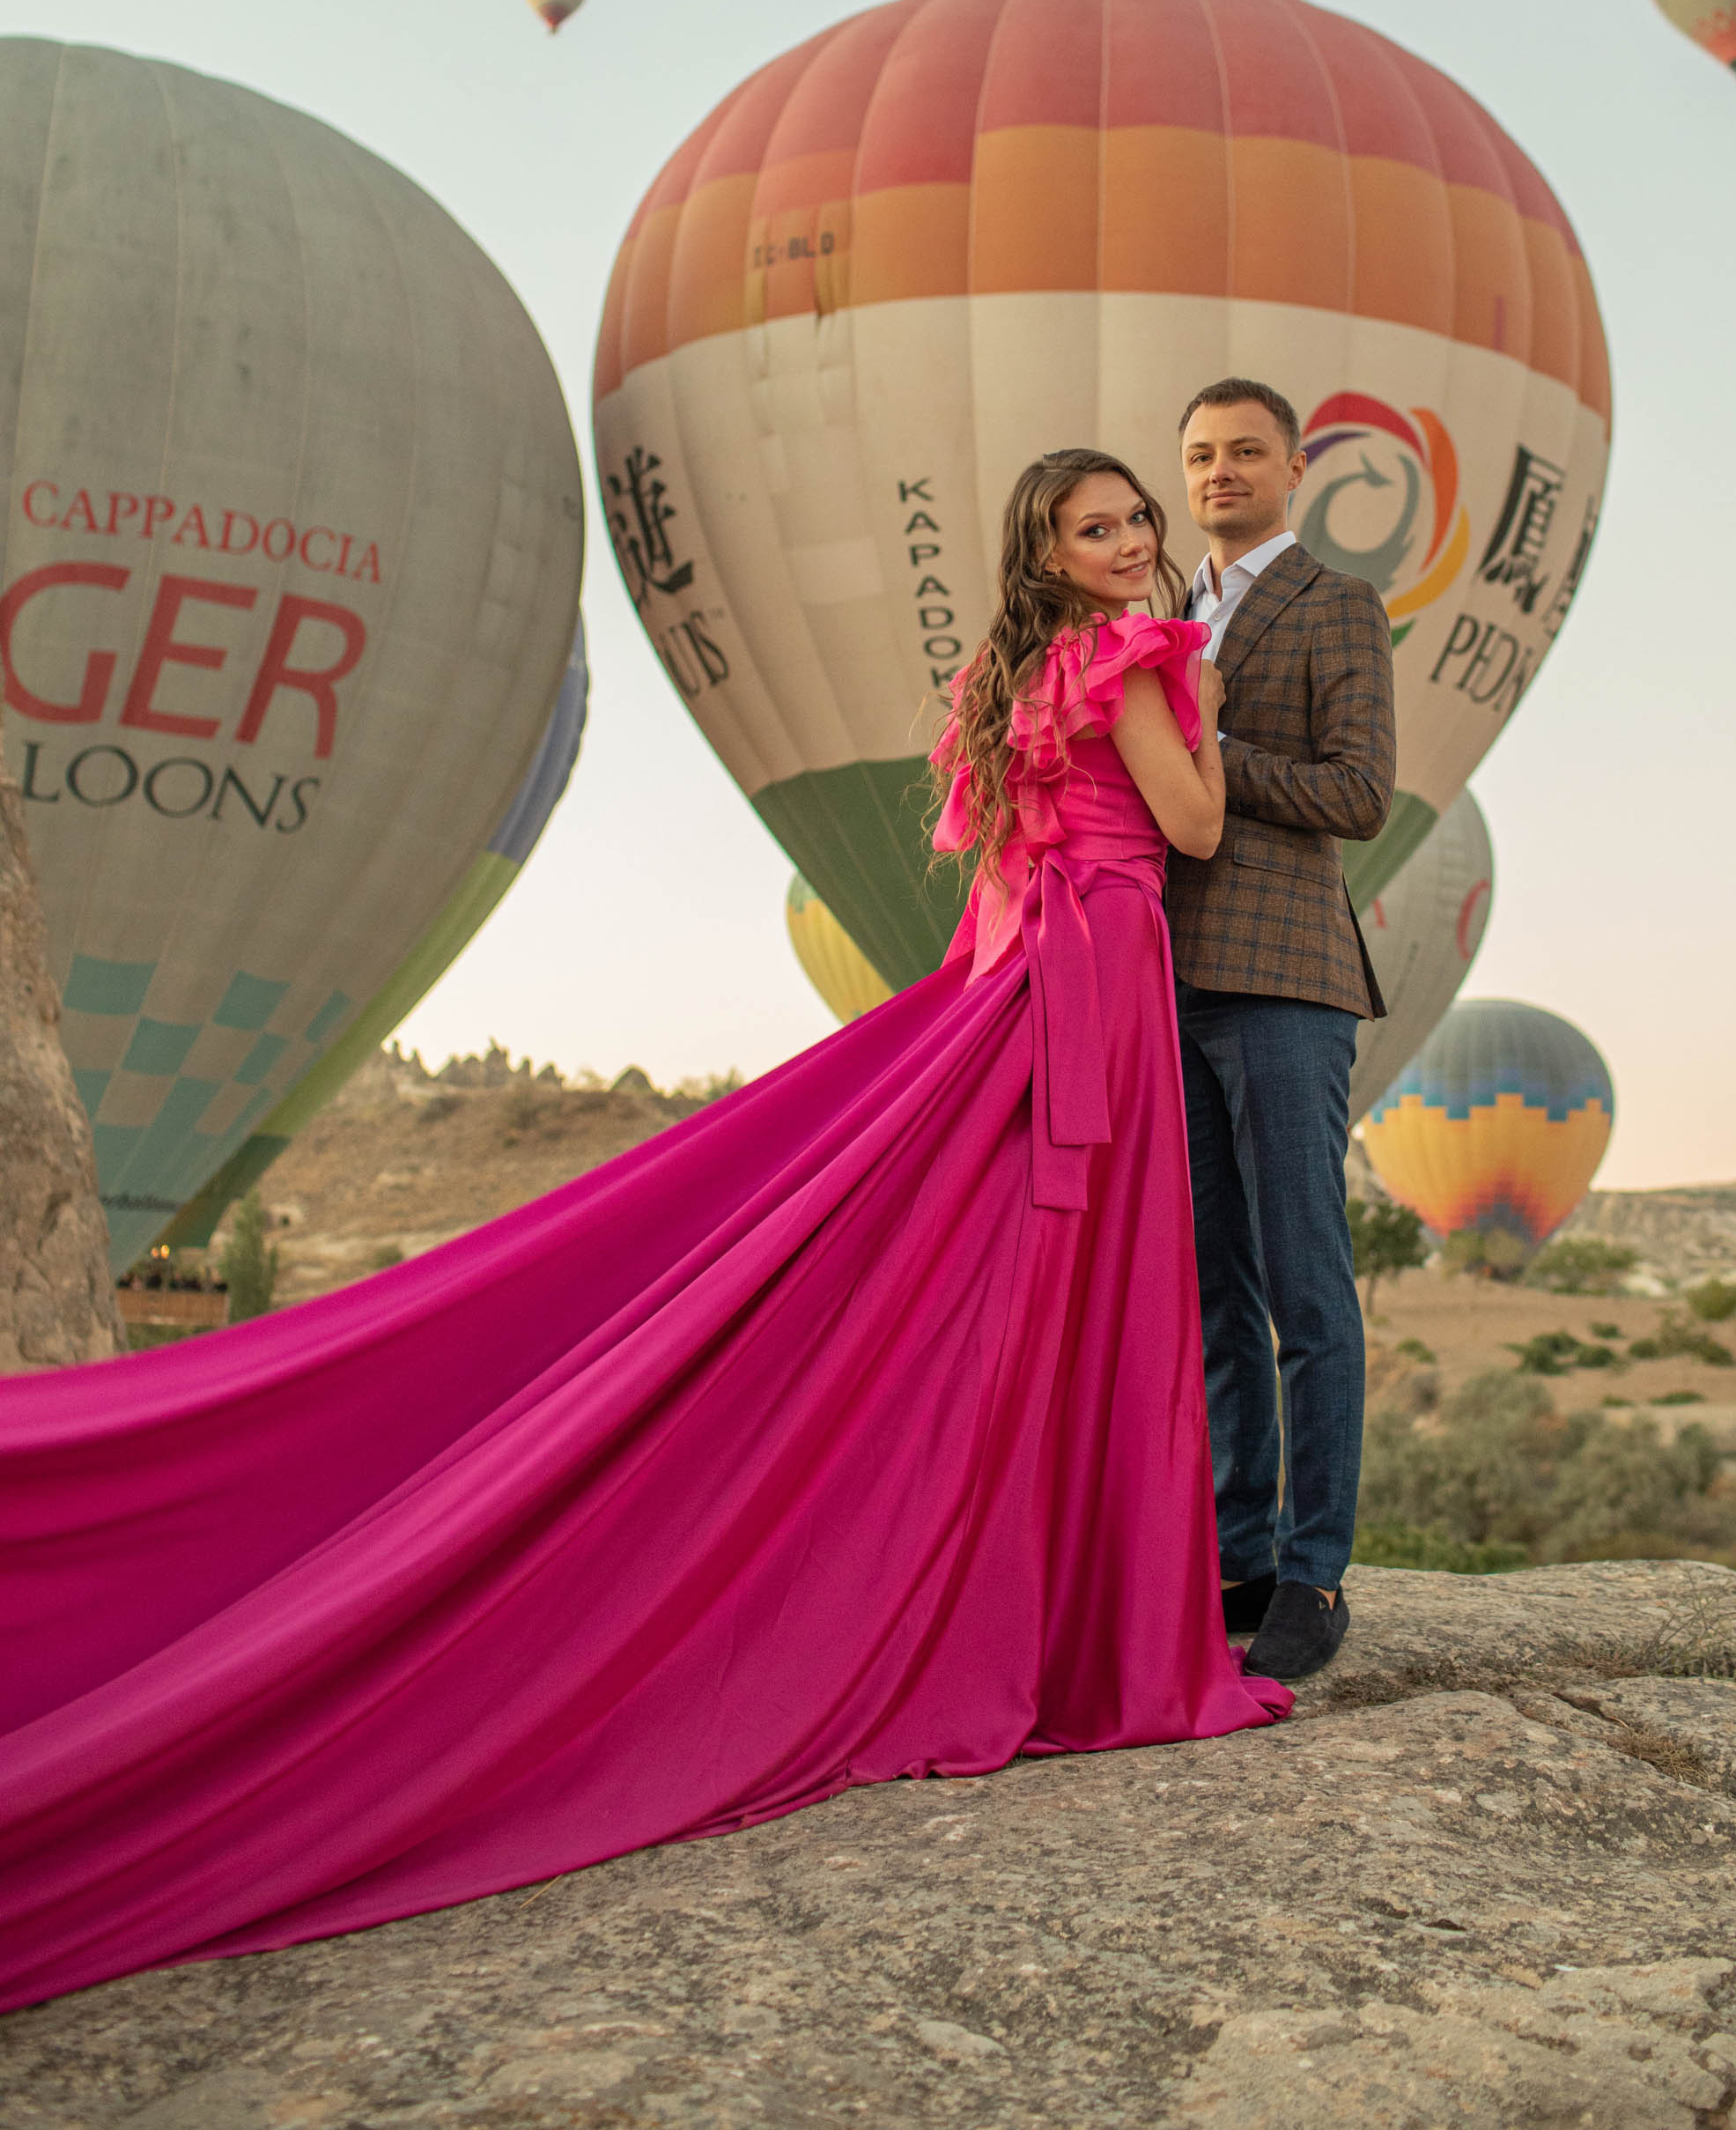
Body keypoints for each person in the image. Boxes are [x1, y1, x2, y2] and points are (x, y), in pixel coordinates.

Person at [0, 447, 1289, 2017]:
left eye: (1135, 519)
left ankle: (1019, 1607)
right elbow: (1198, 831)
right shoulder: (1147, 658)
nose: (1132, 537)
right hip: (1105, 979)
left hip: (1026, 985)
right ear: (1054, 549)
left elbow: (1016, 863)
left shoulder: (1015, 678)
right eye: (1102, 526)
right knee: (1088, 1294)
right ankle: (1097, 1635)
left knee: (974, 1270)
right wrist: (1213, 726)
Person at [1163, 379, 1396, 1683]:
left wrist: (1206, 744)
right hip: (1169, 977)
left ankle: (1315, 1573)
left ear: (1296, 467)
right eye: (1199, 455)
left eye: (1246, 452)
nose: (1219, 472)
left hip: (1288, 977)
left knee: (1305, 1283)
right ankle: (1237, 1550)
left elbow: (1361, 791)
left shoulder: (1337, 605)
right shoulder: (1159, 615)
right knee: (1212, 1287)